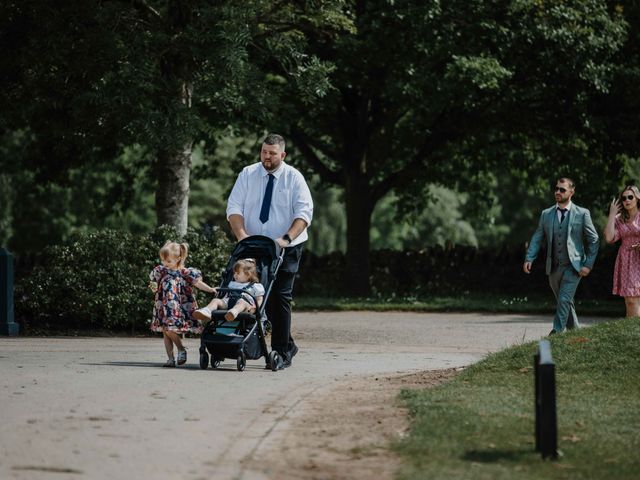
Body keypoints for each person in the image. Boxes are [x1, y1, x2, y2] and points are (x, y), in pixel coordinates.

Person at [226, 133, 313, 368]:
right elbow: (234, 207)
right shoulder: (248, 174)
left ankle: (281, 352)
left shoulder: (294, 178)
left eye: (272, 153)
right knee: (256, 295)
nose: (267, 156)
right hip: (253, 245)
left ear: (282, 155)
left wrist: (286, 238)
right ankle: (288, 344)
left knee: (279, 295)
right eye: (264, 151)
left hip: (287, 246)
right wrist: (242, 236)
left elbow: (303, 214)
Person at [523, 177, 599, 334]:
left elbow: (594, 239)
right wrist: (529, 258)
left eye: (562, 189)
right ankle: (575, 332)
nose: (557, 192)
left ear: (572, 192)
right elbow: (538, 237)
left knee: (564, 300)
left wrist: (588, 264)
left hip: (574, 266)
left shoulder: (583, 213)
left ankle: (556, 332)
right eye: (556, 188)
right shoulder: (546, 214)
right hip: (554, 267)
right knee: (565, 301)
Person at [149, 241, 217, 367]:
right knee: (165, 331)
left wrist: (210, 289)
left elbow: (197, 283)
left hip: (177, 307)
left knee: (169, 329)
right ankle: (170, 359)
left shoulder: (185, 272)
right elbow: (153, 282)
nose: (165, 263)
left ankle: (181, 349)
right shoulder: (161, 271)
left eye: (168, 261)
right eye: (163, 260)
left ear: (178, 258)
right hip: (163, 305)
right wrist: (153, 287)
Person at [604, 185, 640, 317]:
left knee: (634, 298)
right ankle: (632, 332)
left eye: (630, 197)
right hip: (626, 260)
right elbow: (609, 237)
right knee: (629, 300)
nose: (627, 200)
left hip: (639, 258)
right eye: (624, 198)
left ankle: (634, 331)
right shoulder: (619, 219)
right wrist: (612, 215)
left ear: (637, 198)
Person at [193, 258, 266, 322]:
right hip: (228, 302)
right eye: (234, 273)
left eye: (238, 273)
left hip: (245, 306)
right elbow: (226, 293)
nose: (235, 275)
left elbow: (259, 298)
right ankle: (206, 311)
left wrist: (256, 307)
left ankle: (233, 312)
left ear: (248, 274)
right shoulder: (232, 284)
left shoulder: (256, 286)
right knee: (216, 300)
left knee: (242, 302)